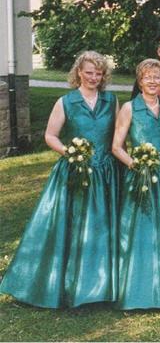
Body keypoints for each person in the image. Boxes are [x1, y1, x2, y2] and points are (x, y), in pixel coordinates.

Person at [0, 51, 118, 308]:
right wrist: (71, 153)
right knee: (70, 227)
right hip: (75, 171)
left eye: (98, 74)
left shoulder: (111, 101)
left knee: (103, 227)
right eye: (89, 72)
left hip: (106, 172)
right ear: (79, 73)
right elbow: (50, 136)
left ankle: (101, 287)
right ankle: (59, 285)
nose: (94, 78)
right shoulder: (66, 102)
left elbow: (119, 136)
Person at [112, 59, 160, 309]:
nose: (152, 81)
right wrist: (136, 166)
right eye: (147, 77)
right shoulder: (129, 108)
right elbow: (117, 147)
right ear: (139, 81)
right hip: (141, 177)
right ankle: (138, 290)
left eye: (157, 77)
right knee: (142, 231)